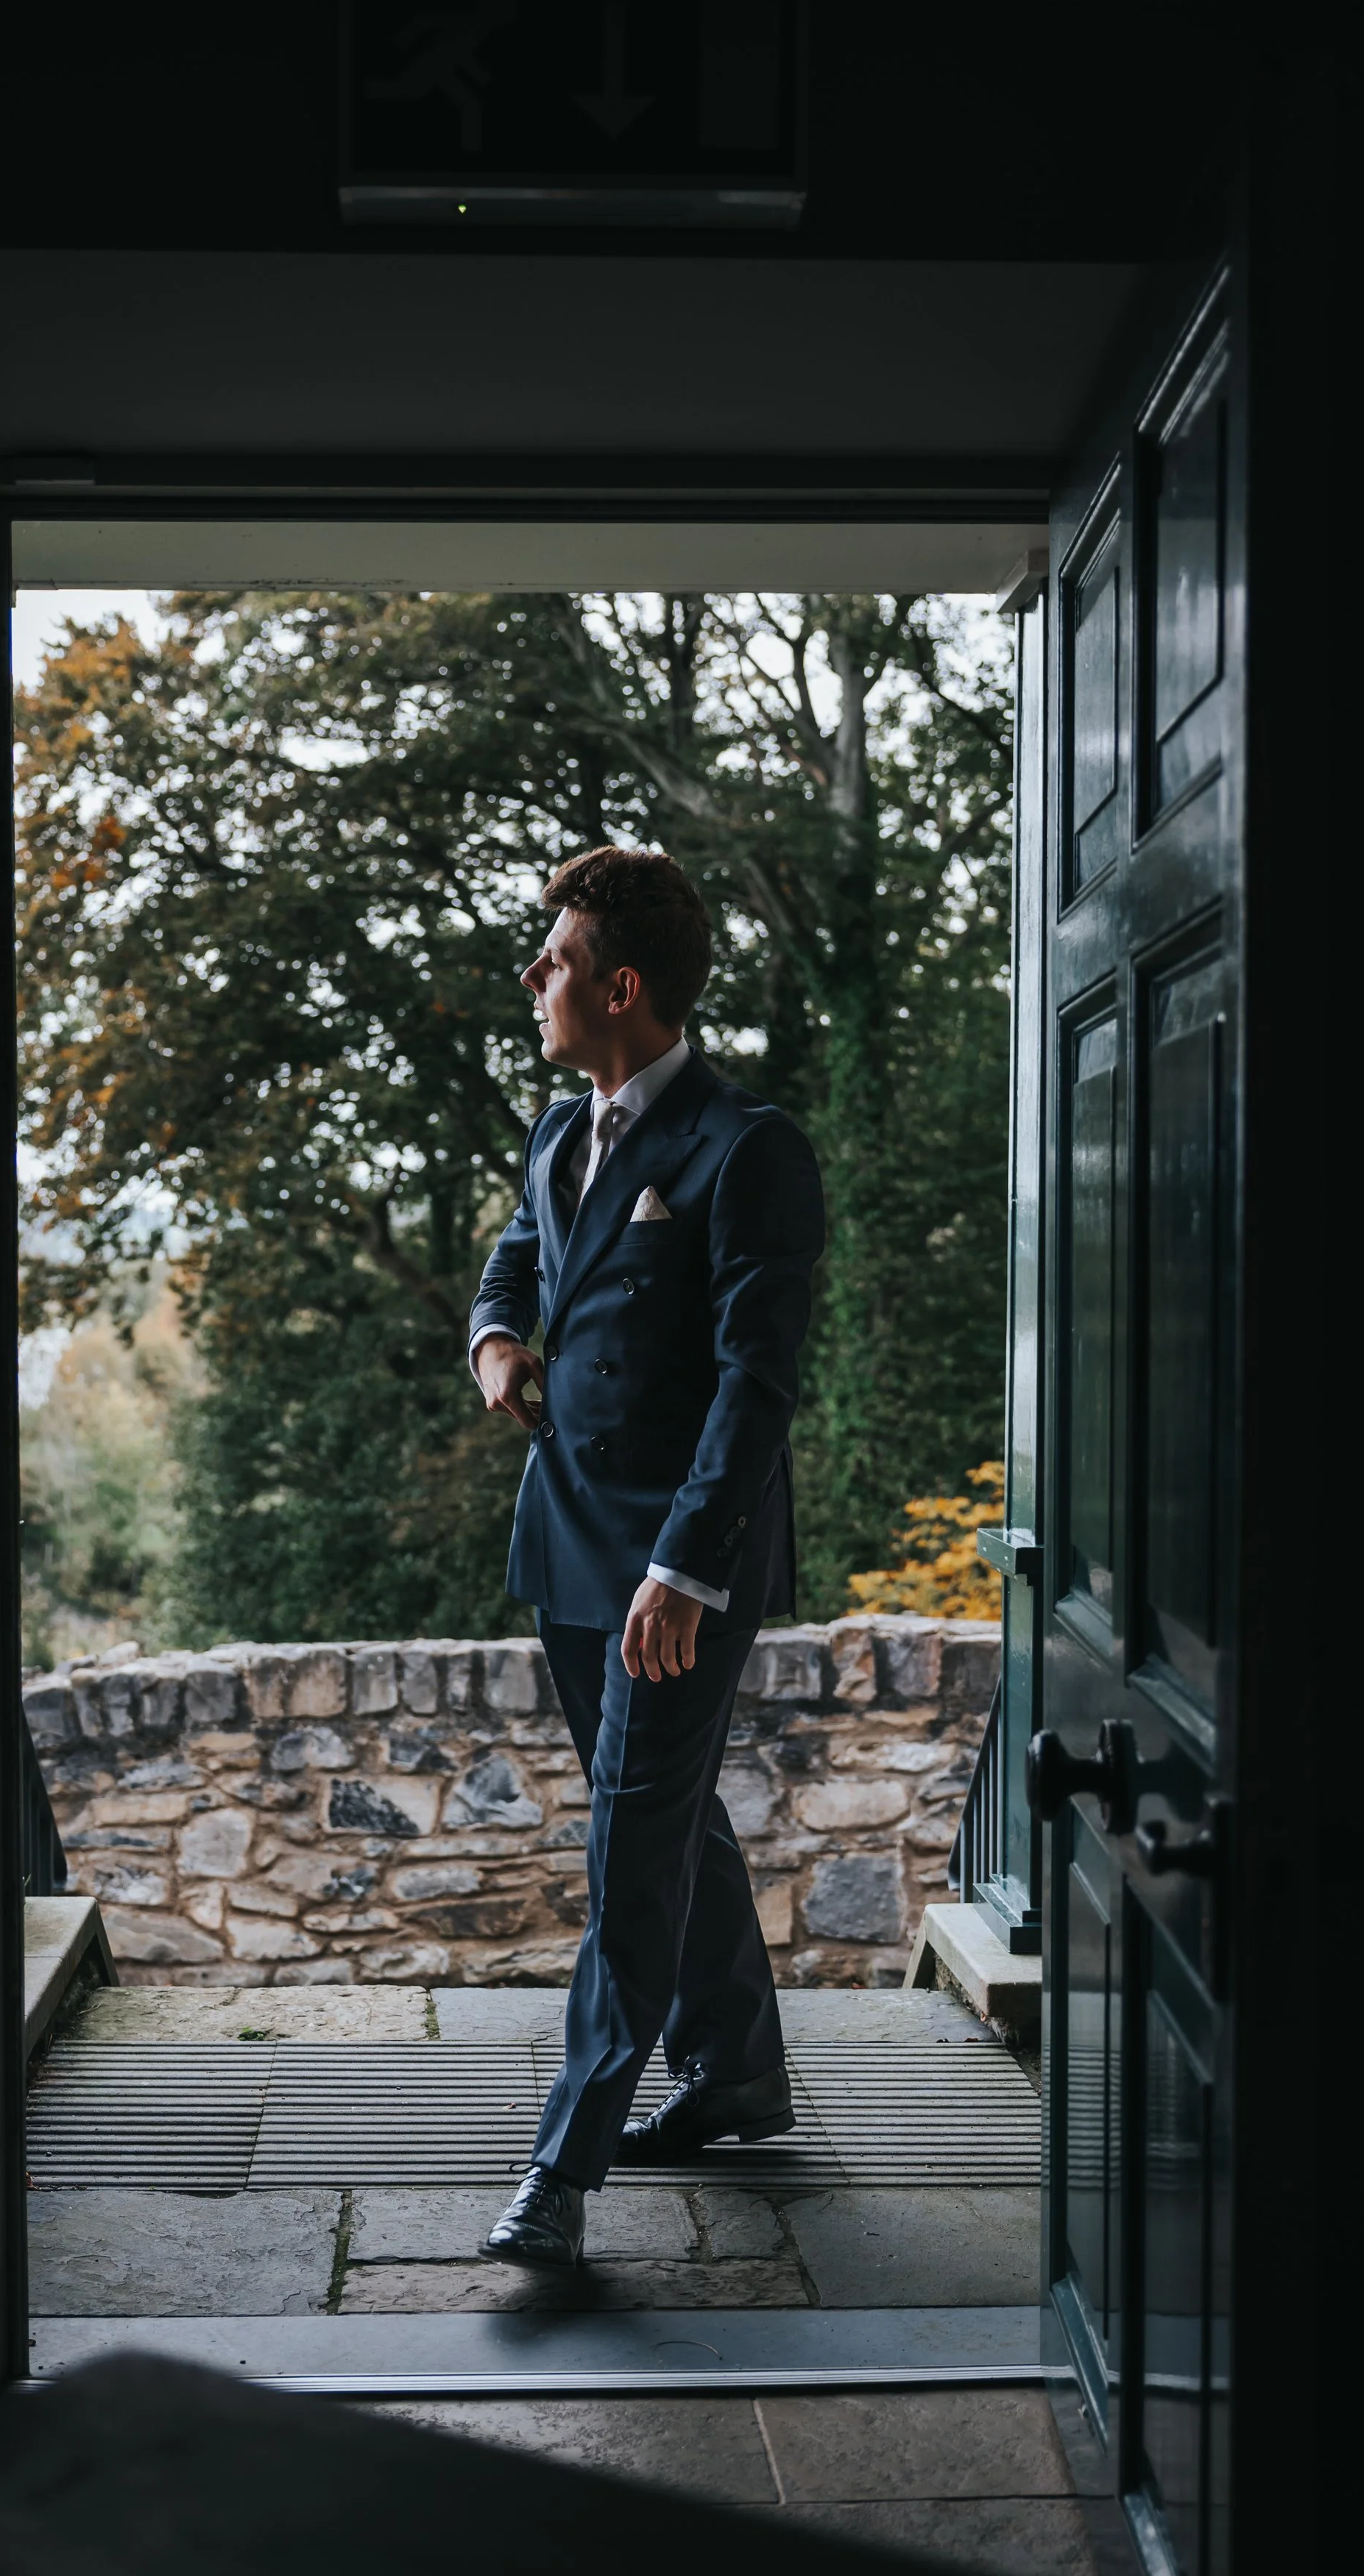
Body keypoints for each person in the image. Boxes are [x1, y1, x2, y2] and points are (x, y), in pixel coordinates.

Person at [471, 847, 826, 2265]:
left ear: (621, 986)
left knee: (630, 1837)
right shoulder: (562, 1129)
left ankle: (566, 2164)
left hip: (681, 1555)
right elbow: (515, 1255)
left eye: (550, 958)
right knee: (668, 1814)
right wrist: (495, 1337)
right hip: (567, 1530)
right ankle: (737, 2071)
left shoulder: (750, 1148)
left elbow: (759, 1383)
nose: (532, 976)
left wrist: (685, 1568)